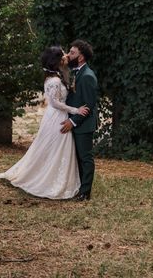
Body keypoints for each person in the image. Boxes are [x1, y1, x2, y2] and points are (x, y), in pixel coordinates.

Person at [0, 47, 89, 199]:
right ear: (56, 61)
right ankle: (47, 180)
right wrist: (76, 110)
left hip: (56, 115)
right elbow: (55, 103)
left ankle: (54, 176)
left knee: (55, 149)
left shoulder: (56, 76)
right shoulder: (55, 80)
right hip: (57, 116)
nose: (65, 56)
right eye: (62, 55)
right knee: (55, 147)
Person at [60, 39, 98, 201]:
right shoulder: (76, 72)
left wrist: (73, 121)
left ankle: (85, 193)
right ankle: (78, 187)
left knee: (85, 158)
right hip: (74, 121)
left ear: (81, 57)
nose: (69, 55)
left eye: (73, 52)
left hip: (83, 125)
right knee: (76, 158)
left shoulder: (88, 76)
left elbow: (89, 105)